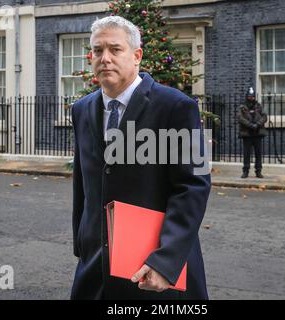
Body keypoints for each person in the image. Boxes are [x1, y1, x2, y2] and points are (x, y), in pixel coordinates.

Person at [70, 16, 211, 300]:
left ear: (137, 56)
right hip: (95, 266)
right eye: (98, 51)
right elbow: (82, 184)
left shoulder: (178, 107)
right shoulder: (82, 109)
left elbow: (194, 186)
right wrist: (82, 244)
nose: (105, 58)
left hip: (154, 268)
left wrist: (166, 261)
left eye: (115, 49)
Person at [237, 87, 268, 179]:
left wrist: (258, 124)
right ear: (247, 96)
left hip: (257, 133)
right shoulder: (242, 107)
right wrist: (250, 125)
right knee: (246, 154)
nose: (251, 98)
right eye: (250, 96)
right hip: (247, 134)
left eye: (253, 96)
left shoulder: (259, 106)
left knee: (258, 153)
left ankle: (258, 171)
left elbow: (264, 117)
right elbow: (240, 118)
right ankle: (245, 171)